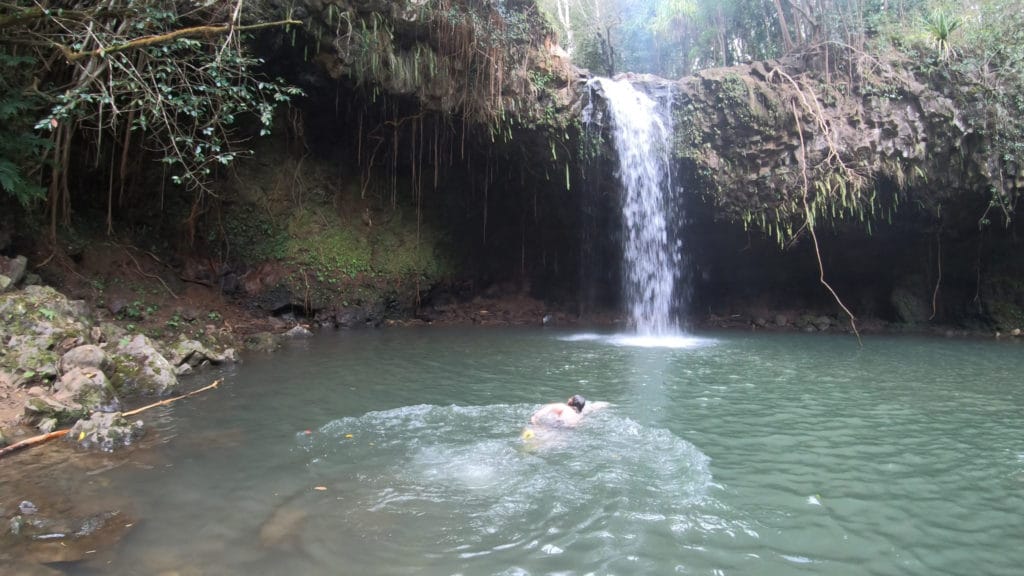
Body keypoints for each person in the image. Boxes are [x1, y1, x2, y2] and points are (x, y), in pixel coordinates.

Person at [529, 394, 607, 428]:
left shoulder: (561, 406)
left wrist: (535, 423)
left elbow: (536, 416)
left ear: (571, 401)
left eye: (571, 398)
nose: (569, 398)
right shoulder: (579, 415)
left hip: (554, 427)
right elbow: (595, 406)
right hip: (566, 432)